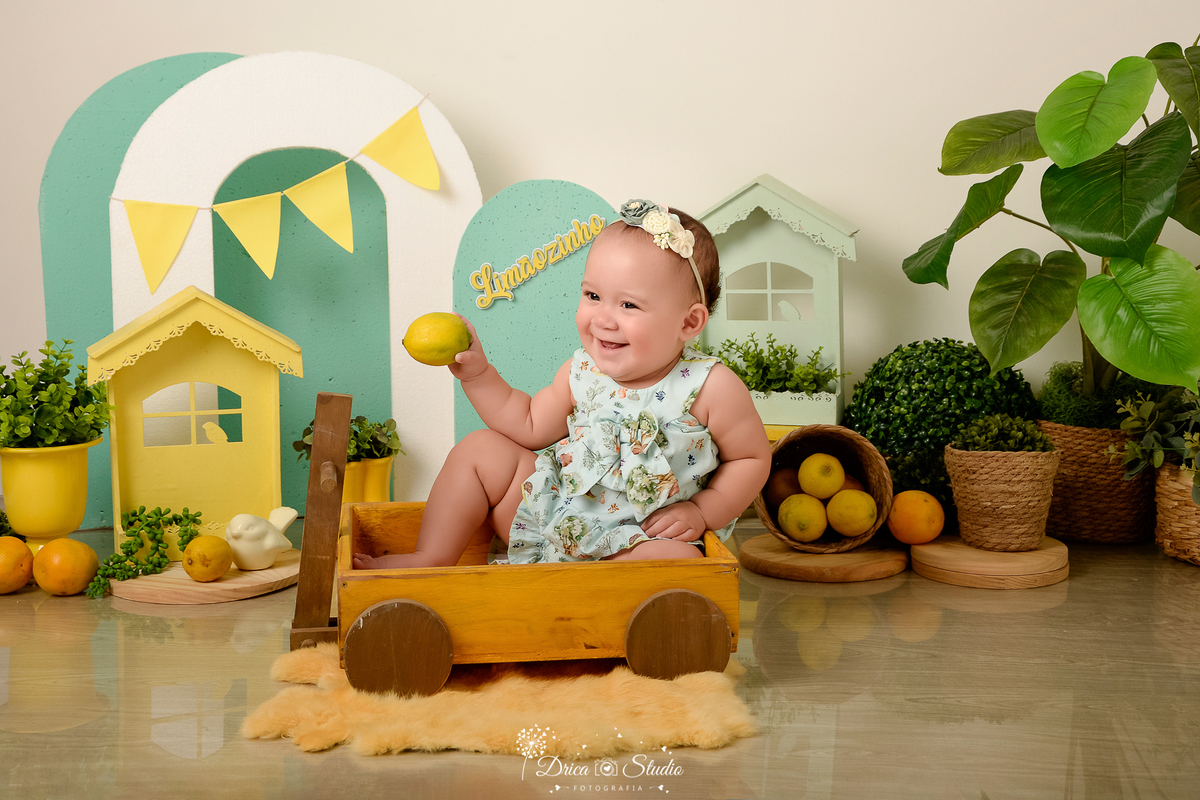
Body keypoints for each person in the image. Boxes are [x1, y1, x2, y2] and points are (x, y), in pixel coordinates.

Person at [353, 199, 771, 568]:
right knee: (480, 450)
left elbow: (750, 459)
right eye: (593, 296)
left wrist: (703, 511)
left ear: (689, 322)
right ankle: (431, 557)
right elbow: (528, 423)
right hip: (552, 516)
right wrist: (479, 375)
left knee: (679, 561)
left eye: (628, 304)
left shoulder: (710, 386)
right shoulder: (583, 371)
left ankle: (586, 592)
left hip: (641, 537)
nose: (603, 318)